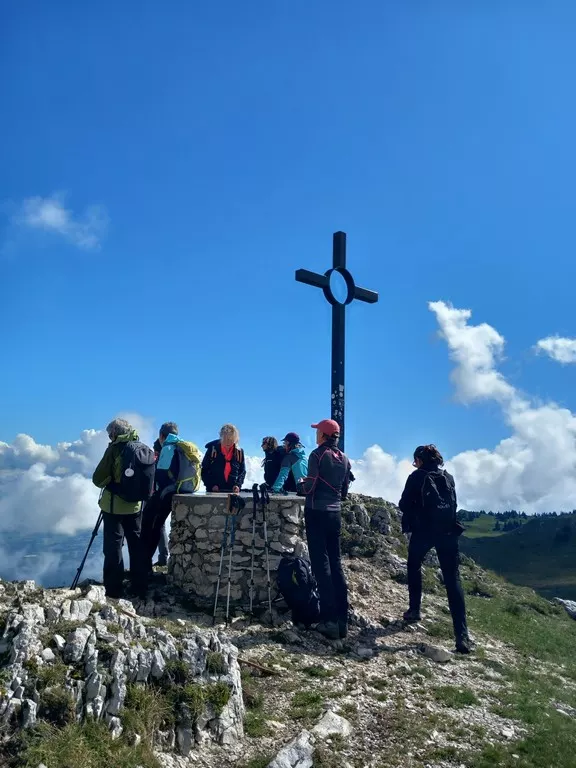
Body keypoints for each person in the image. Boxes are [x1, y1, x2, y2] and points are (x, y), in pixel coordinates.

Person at [398, 444, 472, 654]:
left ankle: (414, 610)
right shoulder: (448, 478)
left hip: (423, 532)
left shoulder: (416, 477)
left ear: (419, 460)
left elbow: (403, 505)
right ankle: (462, 637)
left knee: (413, 564)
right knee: (452, 579)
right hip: (448, 532)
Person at [300, 419, 352, 640]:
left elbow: (310, 486)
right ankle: (342, 620)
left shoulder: (317, 455)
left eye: (318, 431)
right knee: (336, 564)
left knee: (321, 566)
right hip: (335, 514)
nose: (316, 434)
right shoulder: (345, 458)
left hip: (317, 512)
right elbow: (344, 490)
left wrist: (299, 486)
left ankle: (328, 620)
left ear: (323, 435)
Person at [92, 418, 151, 599]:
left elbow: (98, 479)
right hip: (135, 507)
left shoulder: (114, 449)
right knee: (136, 545)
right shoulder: (142, 447)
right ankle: (140, 586)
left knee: (113, 547)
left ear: (115, 433)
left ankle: (114, 589)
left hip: (114, 507)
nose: (109, 437)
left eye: (110, 434)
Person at [142, 422, 202, 572]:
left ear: (162, 435)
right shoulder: (181, 446)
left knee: (150, 525)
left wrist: (155, 491)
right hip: (181, 490)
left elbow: (161, 474)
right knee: (157, 525)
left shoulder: (168, 448)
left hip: (167, 492)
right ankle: (150, 562)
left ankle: (144, 564)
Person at [201, 424, 246, 492]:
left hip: (232, 491)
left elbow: (242, 471)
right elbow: (204, 470)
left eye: (231, 439)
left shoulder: (239, 452)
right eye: (225, 438)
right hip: (214, 491)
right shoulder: (212, 450)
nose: (228, 442)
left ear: (235, 439)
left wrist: (238, 485)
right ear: (221, 437)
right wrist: (211, 485)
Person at [152, 439, 168, 567]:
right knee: (161, 526)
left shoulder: (158, 456)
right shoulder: (175, 451)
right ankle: (163, 557)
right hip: (170, 492)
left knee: (152, 526)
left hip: (155, 494)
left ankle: (147, 560)